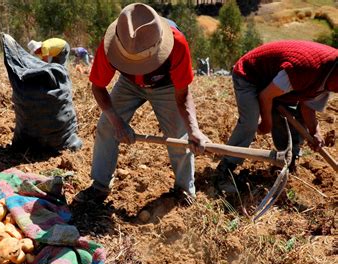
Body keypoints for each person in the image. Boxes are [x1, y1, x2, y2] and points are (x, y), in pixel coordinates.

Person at [74, 3, 210, 204]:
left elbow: (182, 95)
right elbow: (98, 87)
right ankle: (100, 186)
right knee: (106, 125)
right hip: (129, 84)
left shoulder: (178, 44)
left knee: (179, 135)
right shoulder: (111, 43)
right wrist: (117, 123)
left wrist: (194, 129)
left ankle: (184, 189)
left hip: (166, 86)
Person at [215, 40, 337, 193]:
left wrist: (315, 132)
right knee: (250, 123)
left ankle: (288, 161)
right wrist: (267, 122)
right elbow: (266, 96)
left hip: (277, 86)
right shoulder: (305, 68)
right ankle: (225, 169)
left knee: (296, 117)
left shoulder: (330, 76)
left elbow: (307, 107)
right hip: (250, 75)